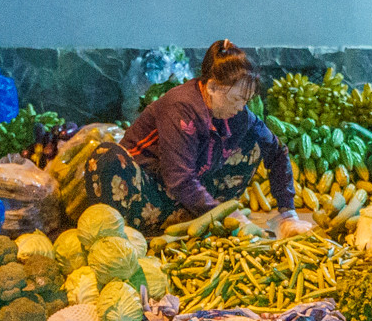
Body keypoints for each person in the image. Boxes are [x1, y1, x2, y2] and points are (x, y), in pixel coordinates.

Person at [82, 40, 309, 235]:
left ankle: (200, 218)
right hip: (150, 191)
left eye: (246, 100)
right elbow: (179, 178)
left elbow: (277, 152)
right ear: (212, 87)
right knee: (105, 158)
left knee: (255, 141)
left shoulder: (238, 113)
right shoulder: (181, 107)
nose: (241, 107)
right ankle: (197, 218)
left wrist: (288, 215)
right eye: (237, 99)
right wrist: (223, 214)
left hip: (189, 195)